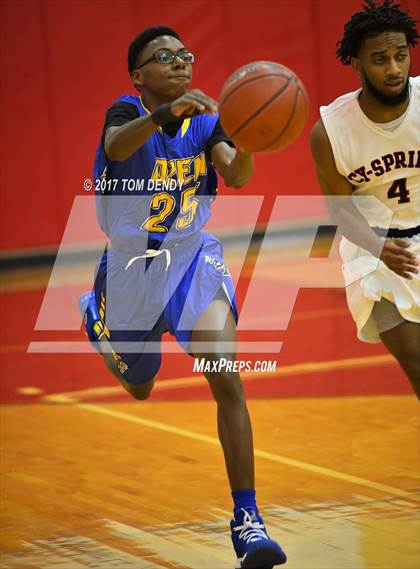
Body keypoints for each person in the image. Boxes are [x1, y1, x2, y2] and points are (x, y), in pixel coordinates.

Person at [79, 26, 287, 568]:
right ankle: (96, 317)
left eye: (185, 55)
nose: (179, 63)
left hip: (192, 257)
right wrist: (164, 116)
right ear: (138, 76)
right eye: (164, 57)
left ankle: (248, 521)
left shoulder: (205, 120)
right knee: (140, 384)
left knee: (226, 373)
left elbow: (236, 173)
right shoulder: (125, 113)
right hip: (131, 270)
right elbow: (115, 147)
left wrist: (248, 135)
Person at [311, 0, 419, 397]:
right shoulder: (331, 131)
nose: (393, 69)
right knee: (416, 360)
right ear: (357, 65)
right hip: (375, 252)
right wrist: (378, 246)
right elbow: (341, 209)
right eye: (379, 59)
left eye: (400, 55)